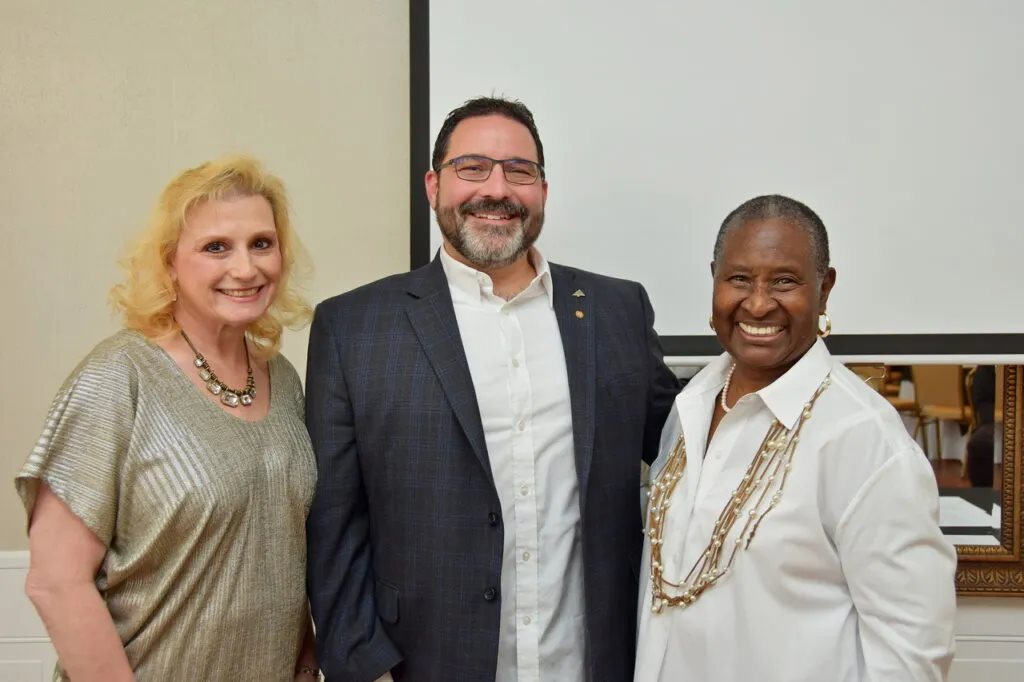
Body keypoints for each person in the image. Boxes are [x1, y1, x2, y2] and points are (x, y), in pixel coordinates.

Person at [305, 96, 681, 681]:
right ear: (434, 186)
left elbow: (688, 454)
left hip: (591, 663)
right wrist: (365, 669)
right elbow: (333, 524)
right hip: (424, 665)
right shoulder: (355, 327)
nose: (497, 189)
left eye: (519, 171)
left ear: (543, 191)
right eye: (473, 168)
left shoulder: (616, 311)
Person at [16, 155, 320, 681]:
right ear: (170, 263)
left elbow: (282, 558)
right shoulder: (118, 378)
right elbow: (56, 582)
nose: (246, 268)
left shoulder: (283, 378)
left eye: (261, 243)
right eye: (216, 247)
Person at [634, 195, 957, 681]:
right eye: (739, 279)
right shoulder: (692, 404)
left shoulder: (863, 440)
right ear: (714, 280)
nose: (758, 303)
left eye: (784, 281)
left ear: (824, 290)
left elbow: (912, 654)